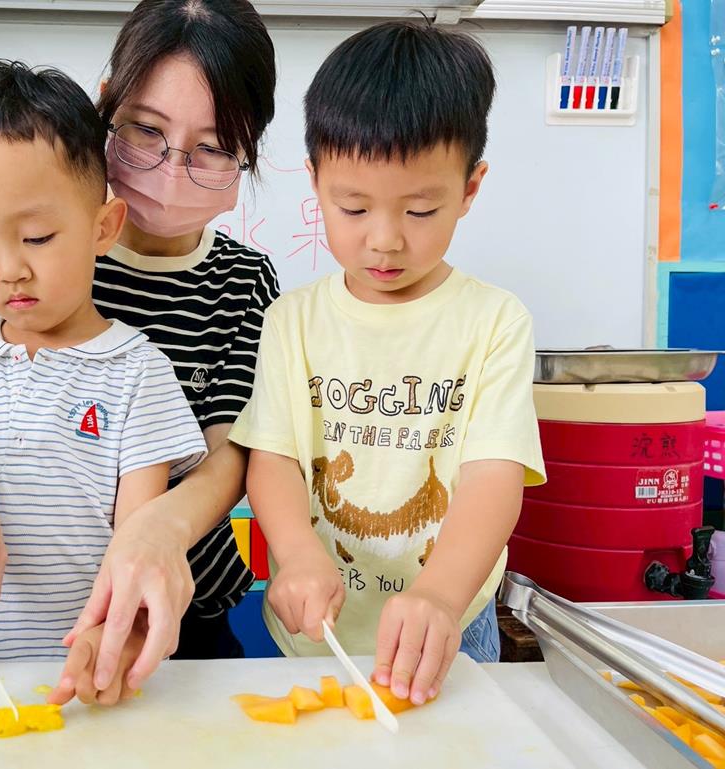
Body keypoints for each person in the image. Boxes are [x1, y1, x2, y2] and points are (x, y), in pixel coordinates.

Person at [0, 0, 278, 703]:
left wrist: (158, 530)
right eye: (146, 130)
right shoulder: (10, 248)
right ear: (107, 105)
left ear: (248, 150)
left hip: (176, 607)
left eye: (212, 148)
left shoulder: (242, 281)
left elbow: (233, 451)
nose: (170, 170)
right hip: (7, 619)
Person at [229, 21, 546, 708]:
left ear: (470, 188)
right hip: (317, 630)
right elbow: (274, 457)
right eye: (353, 207)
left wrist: (440, 594)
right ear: (315, 182)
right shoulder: (292, 321)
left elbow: (494, 476)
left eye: (421, 209)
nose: (385, 239)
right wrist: (298, 552)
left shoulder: (495, 322)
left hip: (450, 628)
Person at [0, 59, 208, 669]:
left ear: (104, 226)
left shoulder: (137, 372)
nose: (8, 268)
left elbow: (136, 539)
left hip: (84, 670)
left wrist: (114, 636)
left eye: (37, 237)